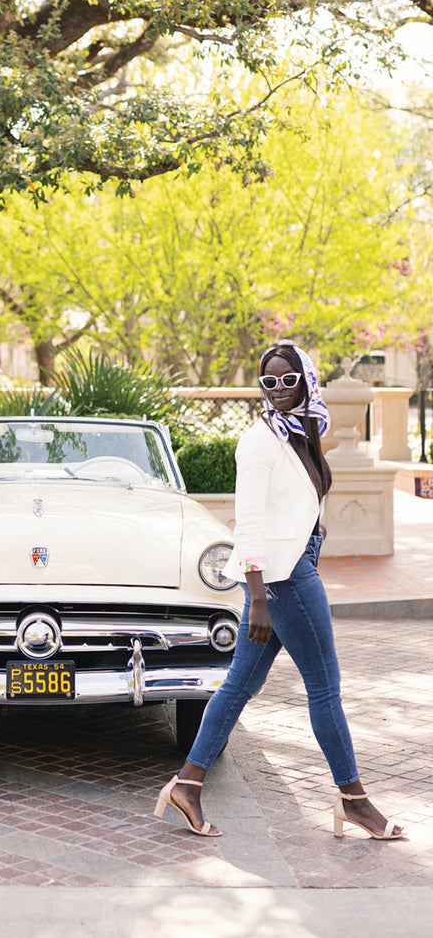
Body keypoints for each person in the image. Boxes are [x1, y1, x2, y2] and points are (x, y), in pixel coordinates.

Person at [154, 342, 404, 841]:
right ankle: (354, 801)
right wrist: (260, 598)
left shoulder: (302, 434)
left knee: (239, 686)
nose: (279, 390)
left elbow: (292, 506)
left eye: (288, 379)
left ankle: (187, 784)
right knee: (325, 689)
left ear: (306, 379)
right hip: (283, 580)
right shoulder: (260, 441)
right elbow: (246, 524)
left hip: (286, 569)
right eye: (268, 382)